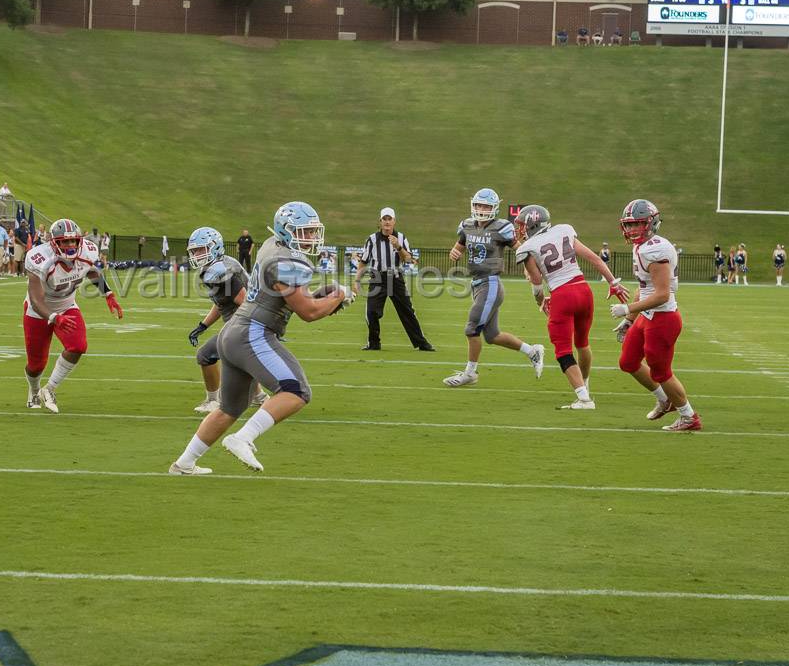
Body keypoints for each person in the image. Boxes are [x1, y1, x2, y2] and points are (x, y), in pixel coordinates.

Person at [169, 202, 353, 475]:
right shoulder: (287, 260)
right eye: (306, 232)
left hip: (234, 333)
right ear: (286, 231)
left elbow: (293, 299)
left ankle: (183, 463)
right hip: (252, 333)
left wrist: (327, 295)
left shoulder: (272, 246)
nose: (312, 238)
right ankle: (243, 438)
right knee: (296, 391)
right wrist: (338, 295)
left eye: (314, 232)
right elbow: (308, 312)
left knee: (230, 408)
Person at [513, 205, 628, 410]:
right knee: (582, 343)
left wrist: (541, 302)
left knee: (563, 351)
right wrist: (614, 283)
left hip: (562, 295)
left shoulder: (527, 247)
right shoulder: (563, 230)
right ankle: (585, 386)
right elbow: (594, 258)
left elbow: (537, 284)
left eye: (523, 225)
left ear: (532, 225)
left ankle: (584, 398)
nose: (520, 229)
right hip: (583, 290)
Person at [611, 200, 701, 432]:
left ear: (651, 223)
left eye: (638, 224)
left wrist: (628, 309)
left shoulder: (655, 250)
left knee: (661, 372)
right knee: (628, 361)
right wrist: (630, 319)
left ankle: (689, 416)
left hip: (663, 318)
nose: (632, 230)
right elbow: (645, 286)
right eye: (629, 225)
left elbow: (661, 295)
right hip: (648, 316)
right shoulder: (642, 246)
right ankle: (665, 399)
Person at [444, 189, 545, 388]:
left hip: (490, 283)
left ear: (494, 208)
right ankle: (532, 351)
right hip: (477, 283)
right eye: (479, 205)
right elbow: (459, 246)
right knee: (492, 336)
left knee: (472, 328)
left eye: (486, 206)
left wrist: (528, 270)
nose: (481, 210)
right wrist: (455, 252)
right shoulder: (467, 225)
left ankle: (470, 373)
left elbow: (522, 250)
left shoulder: (502, 228)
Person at [22, 219, 124, 412]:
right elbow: (36, 299)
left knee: (78, 346)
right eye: (64, 242)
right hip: (39, 311)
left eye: (73, 241)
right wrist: (54, 317)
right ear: (54, 243)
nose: (70, 245)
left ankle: (49, 388)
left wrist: (108, 293)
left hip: (67, 305)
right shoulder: (39, 258)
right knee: (36, 365)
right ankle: (34, 390)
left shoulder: (88, 250)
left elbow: (91, 271)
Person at [185, 226, 261, 415]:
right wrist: (203, 325)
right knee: (241, 362)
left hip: (244, 323)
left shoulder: (220, 272)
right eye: (194, 251)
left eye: (200, 250)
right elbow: (222, 304)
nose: (196, 254)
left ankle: (213, 401)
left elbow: (245, 302)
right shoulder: (217, 267)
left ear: (214, 247)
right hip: (245, 323)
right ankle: (259, 397)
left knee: (205, 355)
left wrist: (237, 330)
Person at [354, 207, 433, 352]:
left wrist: (398, 246)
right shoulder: (372, 239)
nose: (387, 222)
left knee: (407, 311)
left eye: (390, 219)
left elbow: (408, 259)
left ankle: (422, 343)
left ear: (394, 221)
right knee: (371, 311)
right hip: (377, 278)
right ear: (380, 221)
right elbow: (363, 261)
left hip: (396, 278)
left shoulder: (401, 238)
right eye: (384, 219)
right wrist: (357, 281)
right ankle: (374, 343)